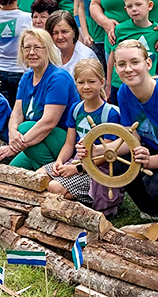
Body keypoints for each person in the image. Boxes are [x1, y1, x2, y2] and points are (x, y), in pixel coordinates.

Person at [103, 39, 158, 219]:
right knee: (119, 163)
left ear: (148, 63)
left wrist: (148, 162)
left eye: (134, 62)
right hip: (150, 151)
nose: (128, 69)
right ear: (115, 69)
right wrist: (98, 149)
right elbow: (132, 138)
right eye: (121, 64)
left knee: (156, 184)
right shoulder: (124, 92)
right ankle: (152, 211)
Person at [0, 28, 80, 170]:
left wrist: (13, 148)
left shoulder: (58, 78)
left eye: (37, 47)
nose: (32, 52)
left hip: (64, 139)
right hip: (37, 139)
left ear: (48, 49)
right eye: (27, 48)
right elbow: (17, 113)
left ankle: (50, 174)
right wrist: (13, 134)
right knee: (14, 169)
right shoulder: (26, 77)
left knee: (24, 127)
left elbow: (49, 122)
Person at [45, 59, 121, 210]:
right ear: (76, 83)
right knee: (39, 177)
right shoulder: (76, 109)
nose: (86, 87)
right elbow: (69, 143)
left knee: (54, 187)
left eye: (91, 82)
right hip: (76, 160)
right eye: (81, 82)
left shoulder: (110, 114)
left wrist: (77, 169)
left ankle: (87, 200)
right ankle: (69, 198)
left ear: (102, 82)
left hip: (98, 171)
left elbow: (107, 155)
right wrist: (59, 161)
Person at [106, 0, 158, 102]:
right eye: (129, 6)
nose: (134, 9)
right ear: (125, 9)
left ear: (149, 5)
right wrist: (108, 85)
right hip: (119, 84)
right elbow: (112, 57)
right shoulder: (120, 30)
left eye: (138, 4)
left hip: (146, 85)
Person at [45, 10, 98, 77]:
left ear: (74, 32)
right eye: (55, 33)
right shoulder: (48, 53)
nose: (60, 37)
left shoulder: (86, 57)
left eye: (64, 32)